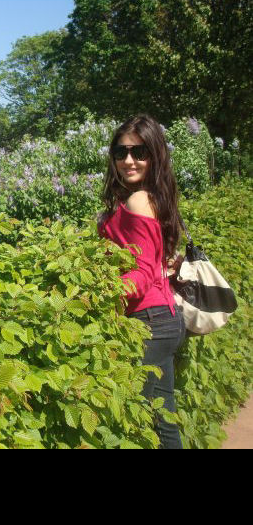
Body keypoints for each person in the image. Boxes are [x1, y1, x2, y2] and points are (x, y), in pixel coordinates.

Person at [98, 114, 185, 449]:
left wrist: (95, 294)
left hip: (149, 324)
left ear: (154, 155)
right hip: (163, 319)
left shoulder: (138, 200)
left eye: (139, 152)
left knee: (125, 422)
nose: (129, 160)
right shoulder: (151, 196)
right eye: (121, 152)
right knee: (163, 423)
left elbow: (142, 273)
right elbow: (152, 260)